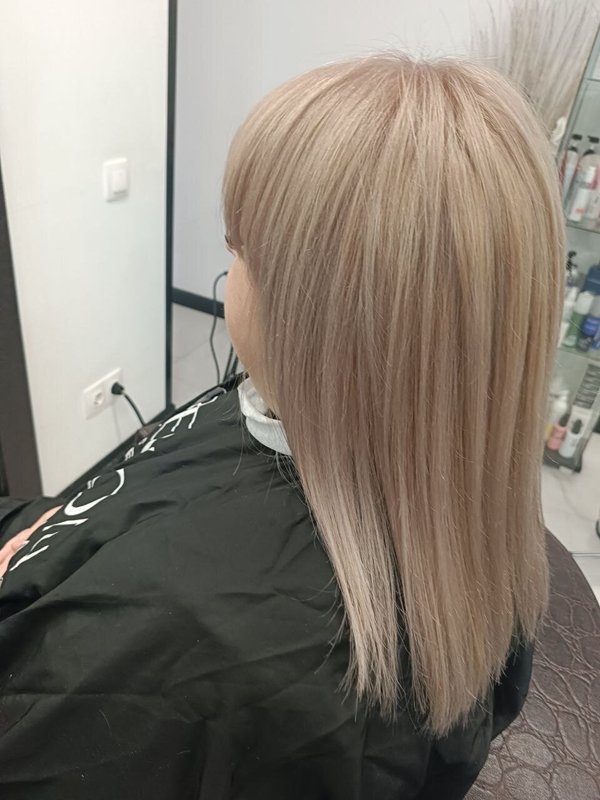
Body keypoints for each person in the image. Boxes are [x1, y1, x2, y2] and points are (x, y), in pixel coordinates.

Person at [0, 54, 563, 799]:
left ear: (319, 317)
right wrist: (58, 531)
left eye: (239, 249)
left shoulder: (188, 636)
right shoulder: (471, 501)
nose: (227, 267)